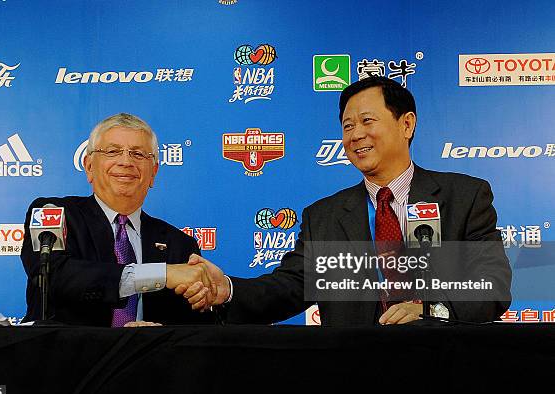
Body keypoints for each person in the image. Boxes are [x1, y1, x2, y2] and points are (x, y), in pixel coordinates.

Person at [180, 76, 512, 326]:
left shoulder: (464, 197)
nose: (355, 135)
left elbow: (491, 288)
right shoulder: (323, 216)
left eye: (368, 121)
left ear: (406, 124)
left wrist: (428, 310)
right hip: (353, 376)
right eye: (347, 126)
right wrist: (227, 289)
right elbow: (291, 286)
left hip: (444, 368)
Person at [21, 113, 216, 327]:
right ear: (88, 167)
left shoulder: (180, 244)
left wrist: (197, 302)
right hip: (67, 356)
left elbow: (195, 327)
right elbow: (52, 276)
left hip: (149, 357)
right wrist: (162, 274)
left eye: (139, 154)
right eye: (112, 151)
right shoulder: (54, 212)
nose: (126, 162)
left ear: (153, 172)